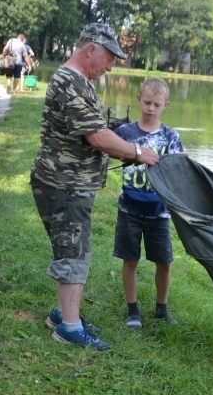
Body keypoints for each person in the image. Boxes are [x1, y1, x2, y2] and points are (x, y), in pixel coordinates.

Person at [30, 23, 160, 350]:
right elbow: (98, 137)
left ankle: (62, 313)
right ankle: (69, 329)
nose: (110, 66)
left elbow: (95, 131)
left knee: (71, 247)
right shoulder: (70, 82)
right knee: (74, 252)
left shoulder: (79, 80)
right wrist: (137, 152)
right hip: (65, 184)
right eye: (109, 58)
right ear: (91, 49)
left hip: (67, 182)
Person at [113, 77, 183, 329]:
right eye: (147, 102)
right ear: (138, 100)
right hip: (129, 209)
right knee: (129, 260)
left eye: (156, 104)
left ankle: (161, 309)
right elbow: (111, 153)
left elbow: (177, 174)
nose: (150, 108)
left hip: (159, 212)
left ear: (166, 105)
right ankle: (133, 310)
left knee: (164, 262)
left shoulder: (171, 137)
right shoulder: (124, 133)